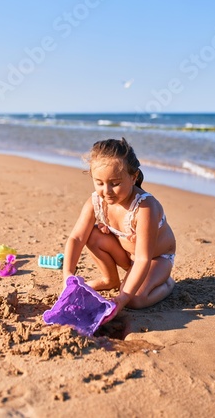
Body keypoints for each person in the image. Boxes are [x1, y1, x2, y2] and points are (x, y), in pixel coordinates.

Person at [63, 137, 176, 322]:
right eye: (99, 182)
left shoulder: (145, 207)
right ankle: (110, 280)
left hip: (156, 259)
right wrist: (68, 274)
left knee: (136, 300)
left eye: (114, 183)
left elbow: (143, 258)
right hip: (128, 257)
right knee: (92, 234)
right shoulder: (96, 201)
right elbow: (76, 238)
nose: (106, 191)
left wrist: (123, 298)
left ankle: (168, 284)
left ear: (133, 177)